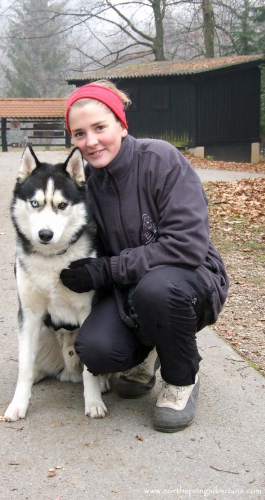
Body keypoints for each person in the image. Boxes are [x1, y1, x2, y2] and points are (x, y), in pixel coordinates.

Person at [60, 80, 229, 432]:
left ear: (122, 124)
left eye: (99, 128)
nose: (90, 142)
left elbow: (187, 246)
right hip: (129, 291)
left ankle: (181, 378)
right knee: (95, 350)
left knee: (157, 290)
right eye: (79, 134)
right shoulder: (85, 184)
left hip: (190, 279)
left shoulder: (160, 159)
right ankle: (149, 350)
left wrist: (106, 269)